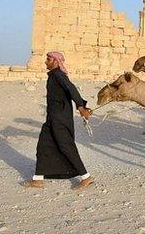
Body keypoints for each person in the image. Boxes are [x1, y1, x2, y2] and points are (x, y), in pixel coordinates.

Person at [23, 52, 94, 190]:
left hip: (59, 118)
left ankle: (86, 177)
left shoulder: (58, 75)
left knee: (66, 146)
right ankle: (38, 179)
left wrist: (80, 107)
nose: (45, 62)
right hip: (52, 118)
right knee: (43, 146)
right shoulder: (54, 76)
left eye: (48, 59)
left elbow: (71, 88)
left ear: (56, 61)